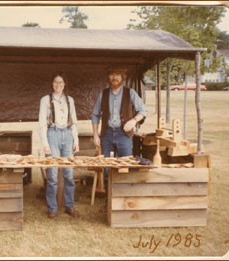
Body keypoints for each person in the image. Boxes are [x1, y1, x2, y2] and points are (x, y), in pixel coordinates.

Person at [91, 66, 148, 207]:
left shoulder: (131, 93)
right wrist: (95, 134)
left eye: (117, 75)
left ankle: (124, 201)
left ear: (123, 78)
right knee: (106, 168)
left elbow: (143, 110)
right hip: (107, 135)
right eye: (111, 75)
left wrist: (134, 120)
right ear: (108, 78)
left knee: (125, 167)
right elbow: (95, 115)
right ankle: (109, 202)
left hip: (124, 136)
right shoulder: (103, 94)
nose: (114, 78)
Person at [39, 71, 80, 220]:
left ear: (65, 84)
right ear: (52, 84)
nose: (58, 85)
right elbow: (42, 123)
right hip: (53, 134)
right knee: (53, 174)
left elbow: (74, 121)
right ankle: (52, 208)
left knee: (69, 174)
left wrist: (76, 140)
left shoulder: (70, 100)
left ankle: (69, 206)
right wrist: (45, 143)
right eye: (56, 82)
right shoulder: (45, 100)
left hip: (67, 135)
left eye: (61, 82)